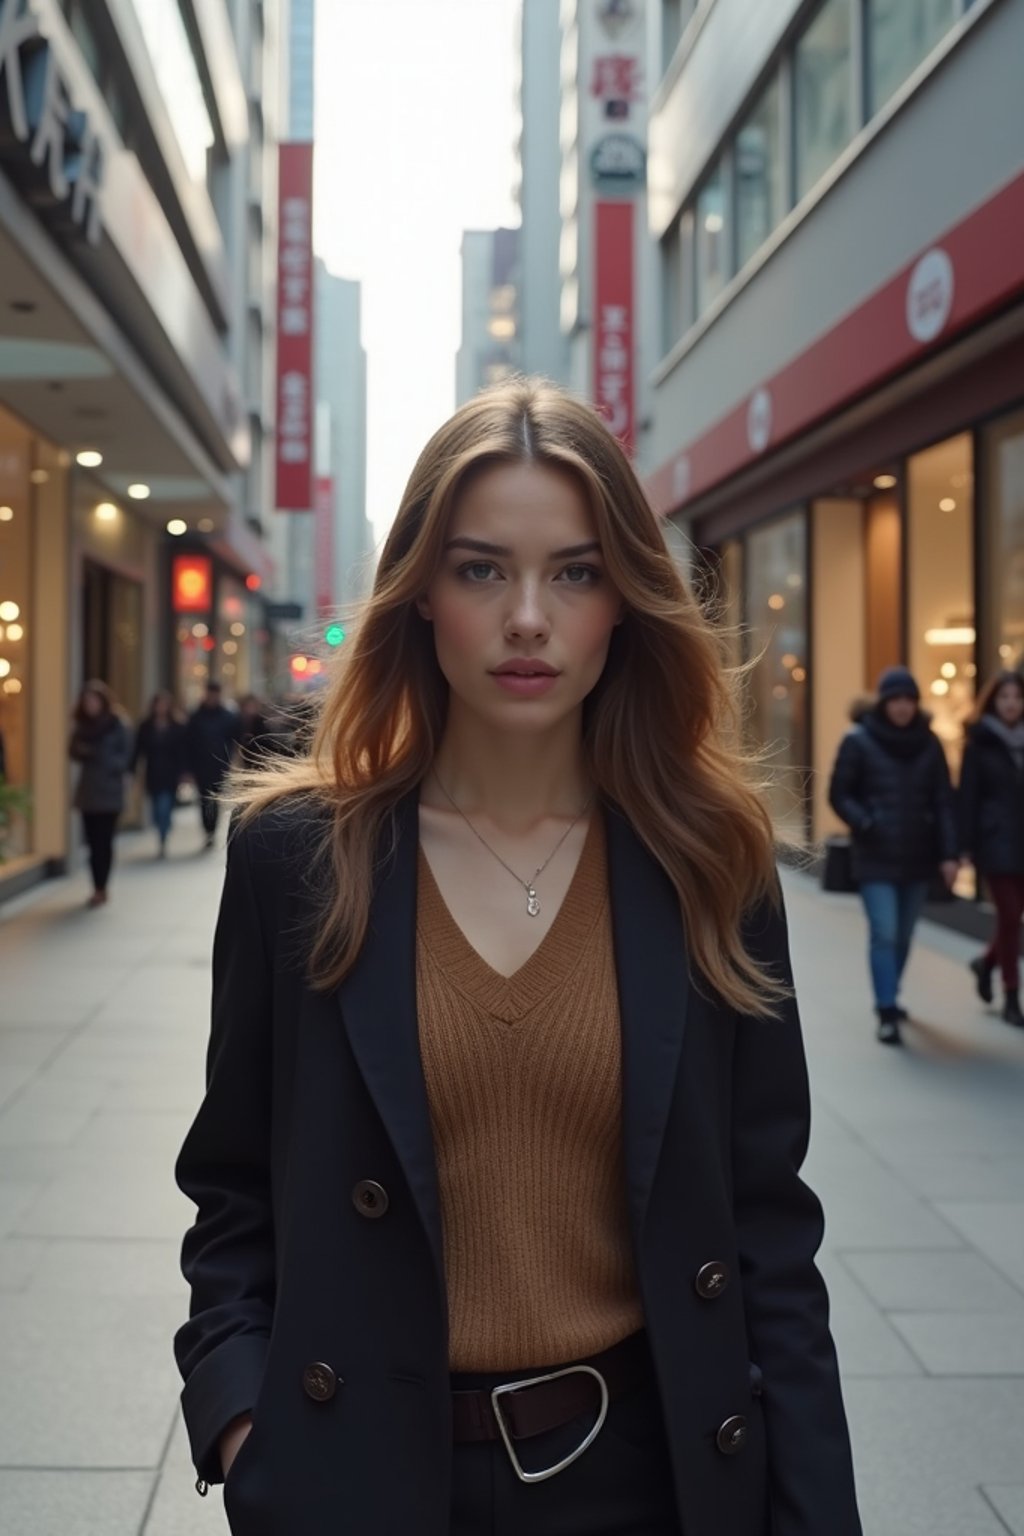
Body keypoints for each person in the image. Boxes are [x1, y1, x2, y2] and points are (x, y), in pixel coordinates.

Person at [174, 380, 862, 1536]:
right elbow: (233, 1190)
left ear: (625, 603)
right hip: (359, 1480)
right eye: (483, 569)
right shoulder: (299, 859)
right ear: (423, 596)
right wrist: (243, 1422)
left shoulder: (708, 863)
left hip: (644, 1476)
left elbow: (765, 1232)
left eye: (576, 572)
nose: (529, 617)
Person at [829, 666, 957, 1044]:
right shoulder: (858, 740)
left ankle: (891, 992)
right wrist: (866, 822)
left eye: (909, 700)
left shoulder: (930, 744)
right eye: (895, 699)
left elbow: (944, 801)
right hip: (875, 856)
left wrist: (949, 854)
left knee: (903, 935)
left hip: (919, 855)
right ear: (884, 703)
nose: (902, 707)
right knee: (884, 933)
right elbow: (838, 794)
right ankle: (886, 1009)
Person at [958, 669, 1024, 1027]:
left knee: (1014, 921)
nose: (1011, 703)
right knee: (1011, 918)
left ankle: (986, 963)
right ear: (993, 701)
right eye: (1005, 697)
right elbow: (967, 797)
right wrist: (963, 846)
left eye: (1017, 697)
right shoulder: (980, 743)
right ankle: (1012, 995)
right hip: (997, 842)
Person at [69, 679, 133, 908]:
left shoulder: (117, 724)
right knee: (92, 842)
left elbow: (125, 756)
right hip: (89, 792)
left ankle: (102, 886)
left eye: (94, 700)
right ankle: (96, 885)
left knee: (104, 842)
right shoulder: (81, 726)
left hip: (109, 791)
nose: (90, 705)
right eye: (87, 701)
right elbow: (73, 751)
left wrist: (101, 755)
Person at [133, 691, 187, 857]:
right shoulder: (146, 726)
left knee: (165, 805)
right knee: (157, 808)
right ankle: (162, 829)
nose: (161, 708)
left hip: (171, 773)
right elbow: (138, 750)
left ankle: (164, 835)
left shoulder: (177, 726)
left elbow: (183, 751)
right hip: (153, 772)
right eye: (158, 704)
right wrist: (132, 769)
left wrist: (185, 772)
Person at [185, 681, 238, 849]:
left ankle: (212, 830)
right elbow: (189, 742)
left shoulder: (228, 716)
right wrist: (188, 768)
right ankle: (208, 830)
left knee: (216, 799)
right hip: (200, 764)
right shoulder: (196, 716)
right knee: (203, 799)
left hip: (220, 764)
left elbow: (235, 739)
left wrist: (232, 759)